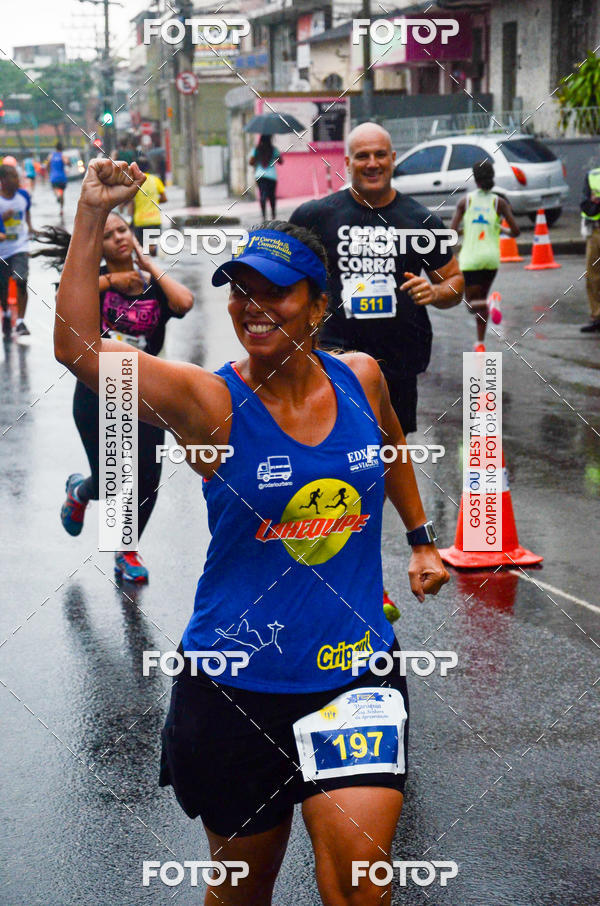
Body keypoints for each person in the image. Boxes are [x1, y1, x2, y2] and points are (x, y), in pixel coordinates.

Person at [54, 158, 449, 905]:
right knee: (242, 892)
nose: (253, 305)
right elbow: (78, 347)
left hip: (352, 674)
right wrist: (89, 215)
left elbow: (392, 449)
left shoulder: (361, 376)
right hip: (234, 687)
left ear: (316, 305)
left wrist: (422, 537)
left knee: (362, 888)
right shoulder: (210, 402)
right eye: (242, 290)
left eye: (276, 291)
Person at [37, 209, 193, 582]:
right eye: (109, 235)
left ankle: (126, 551)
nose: (119, 237)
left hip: (147, 392)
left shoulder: (152, 283)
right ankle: (80, 490)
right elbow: (66, 302)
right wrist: (109, 280)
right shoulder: (89, 281)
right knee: (112, 479)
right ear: (99, 246)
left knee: (146, 480)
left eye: (123, 230)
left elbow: (183, 303)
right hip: (96, 392)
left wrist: (146, 265)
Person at [290, 122, 463, 438]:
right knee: (334, 450)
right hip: (332, 360)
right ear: (347, 163)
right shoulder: (314, 217)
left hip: (397, 363)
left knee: (388, 455)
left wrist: (436, 291)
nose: (372, 163)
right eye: (363, 156)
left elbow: (454, 281)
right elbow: (288, 279)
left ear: (393, 158)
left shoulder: (420, 221)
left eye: (380, 155)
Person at [451, 159, 519, 352]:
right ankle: (480, 343)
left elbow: (452, 232)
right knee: (482, 300)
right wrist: (499, 228)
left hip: (471, 259)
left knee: (472, 304)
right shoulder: (500, 202)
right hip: (491, 259)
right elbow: (516, 232)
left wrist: (466, 231)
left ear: (475, 178)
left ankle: (490, 306)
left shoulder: (466, 201)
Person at [0, 164, 34, 338]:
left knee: (21, 279)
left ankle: (20, 321)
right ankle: (6, 314)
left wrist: (30, 227)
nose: (17, 180)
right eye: (13, 176)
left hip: (20, 246)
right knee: (2, 287)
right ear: (3, 180)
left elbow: (26, 212)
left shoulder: (23, 196)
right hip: (1, 251)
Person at [130, 156, 166, 257]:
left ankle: (145, 268)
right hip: (154, 219)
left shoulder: (134, 182)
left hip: (140, 221)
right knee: (151, 247)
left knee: (141, 251)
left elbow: (131, 203)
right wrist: (153, 200)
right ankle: (153, 266)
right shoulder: (155, 180)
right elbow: (164, 198)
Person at [580, 163, 600, 333]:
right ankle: (597, 316)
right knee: (592, 275)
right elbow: (584, 203)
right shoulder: (592, 176)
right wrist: (593, 203)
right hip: (595, 231)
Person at [250, 134, 283, 219]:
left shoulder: (256, 149)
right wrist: (277, 157)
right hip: (272, 176)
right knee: (272, 196)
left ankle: (264, 216)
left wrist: (257, 158)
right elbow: (281, 162)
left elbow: (251, 162)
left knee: (262, 195)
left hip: (260, 176)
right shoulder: (274, 149)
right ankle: (273, 216)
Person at [47, 142, 68, 213]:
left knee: (55, 189)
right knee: (62, 193)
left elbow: (47, 165)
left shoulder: (51, 155)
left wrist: (48, 172)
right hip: (62, 177)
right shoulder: (63, 156)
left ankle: (58, 195)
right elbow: (67, 162)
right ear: (62, 148)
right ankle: (61, 209)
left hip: (54, 177)